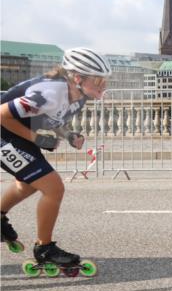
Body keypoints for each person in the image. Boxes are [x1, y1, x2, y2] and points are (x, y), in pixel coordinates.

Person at [1, 47, 110, 277]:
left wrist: (69, 135)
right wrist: (36, 138)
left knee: (30, 182)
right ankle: (45, 248)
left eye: (105, 81)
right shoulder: (49, 92)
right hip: (5, 130)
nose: (103, 87)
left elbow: (53, 118)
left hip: (15, 132)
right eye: (98, 81)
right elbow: (2, 114)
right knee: (53, 187)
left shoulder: (79, 96)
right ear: (78, 78)